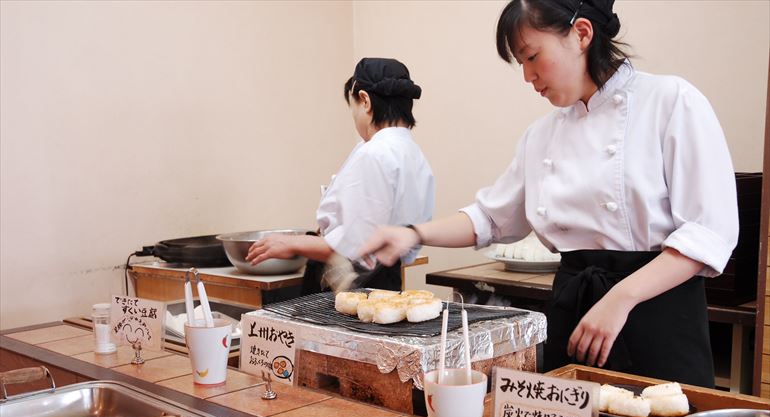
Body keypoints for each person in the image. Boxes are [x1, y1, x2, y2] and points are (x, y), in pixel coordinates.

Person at [358, 0, 738, 388]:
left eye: (532, 56)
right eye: (520, 63)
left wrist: (621, 298)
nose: (527, 76)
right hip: (574, 315)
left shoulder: (672, 101)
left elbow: (708, 232)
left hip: (657, 316)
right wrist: (414, 233)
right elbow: (490, 218)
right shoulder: (542, 135)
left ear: (582, 34)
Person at [246, 58, 435, 295]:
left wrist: (290, 242)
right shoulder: (413, 153)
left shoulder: (374, 152)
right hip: (386, 279)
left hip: (358, 286)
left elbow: (353, 246)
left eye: (353, 107)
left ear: (365, 101)